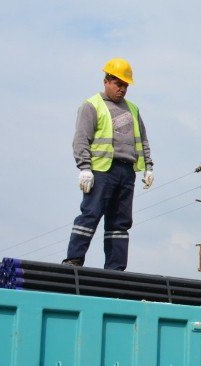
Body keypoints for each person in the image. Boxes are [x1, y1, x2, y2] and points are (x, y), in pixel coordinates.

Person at [64, 58, 153, 270]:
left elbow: (142, 140)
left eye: (125, 85)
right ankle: (74, 260)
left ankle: (116, 269)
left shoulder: (133, 109)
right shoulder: (92, 105)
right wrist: (84, 168)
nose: (122, 89)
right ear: (107, 81)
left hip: (127, 171)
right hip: (102, 170)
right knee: (91, 214)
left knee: (120, 224)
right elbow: (81, 139)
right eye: (118, 84)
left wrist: (149, 166)